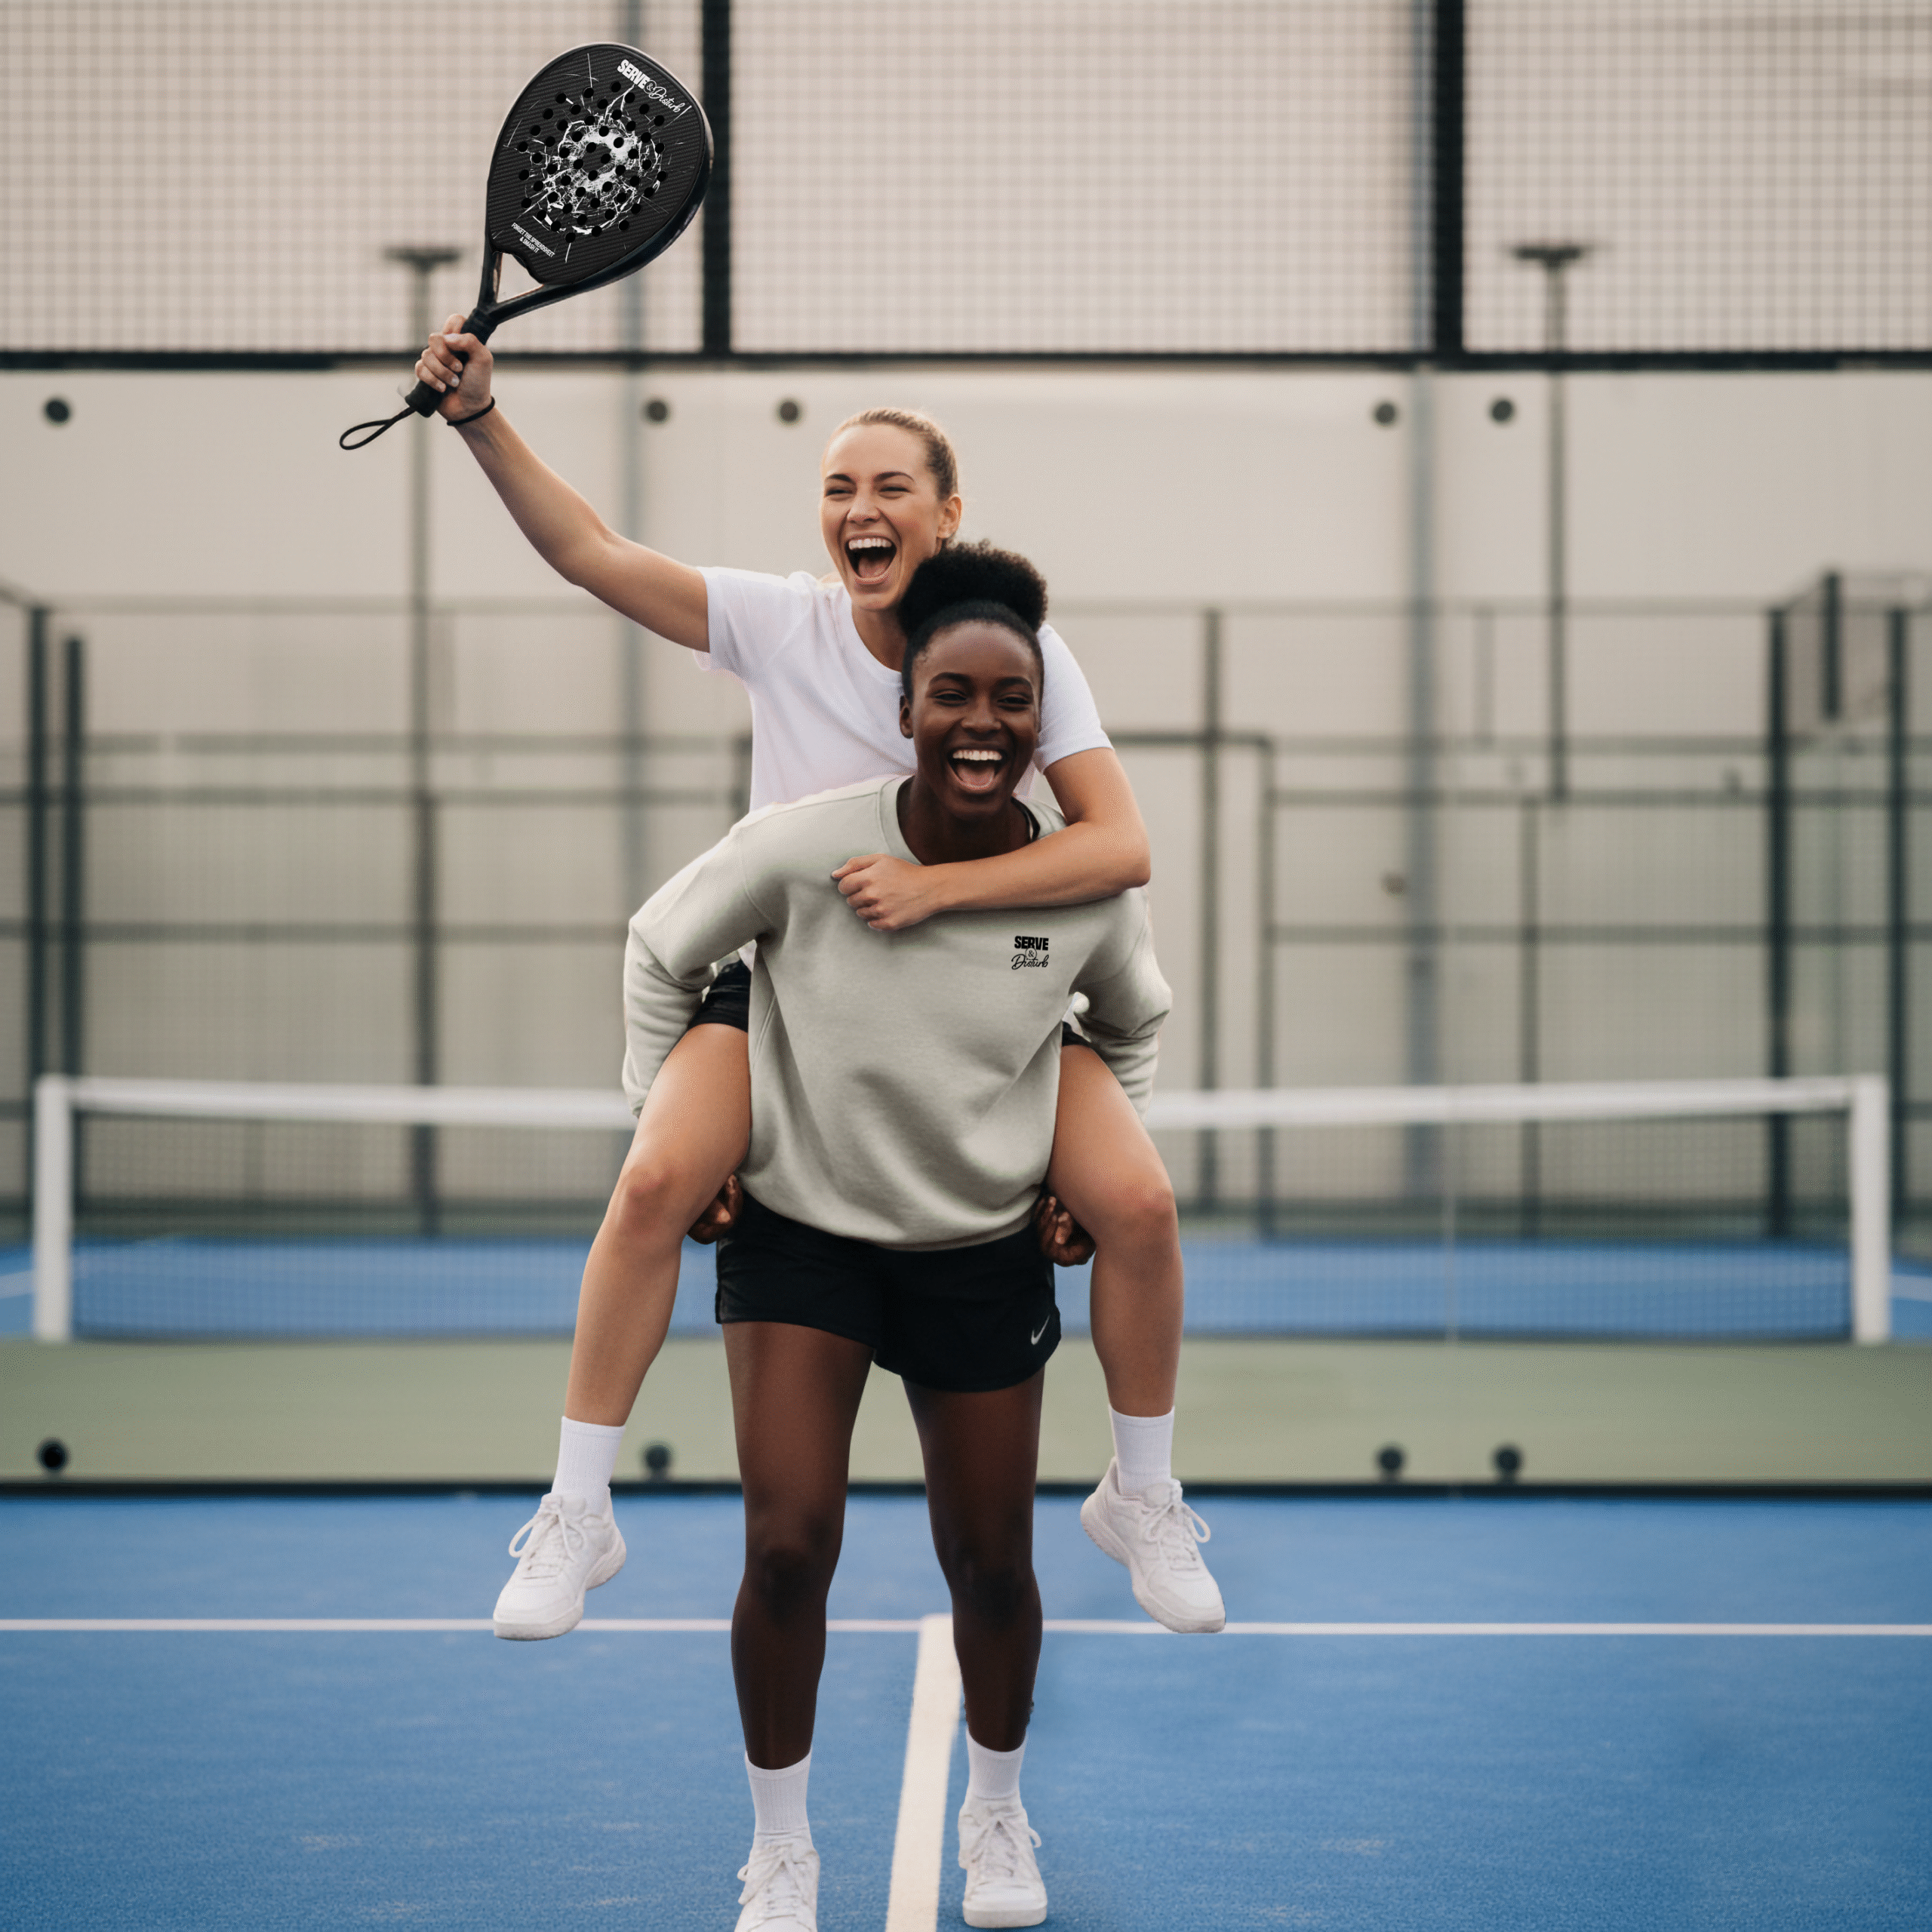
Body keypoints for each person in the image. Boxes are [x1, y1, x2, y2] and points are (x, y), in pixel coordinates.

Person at [408, 324, 1221, 1637]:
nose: (860, 507)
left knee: (1138, 1201)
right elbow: (590, 552)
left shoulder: (1017, 654)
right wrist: (479, 419)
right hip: (791, 992)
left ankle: (1142, 1493)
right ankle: (576, 1510)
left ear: (949, 514)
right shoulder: (782, 624)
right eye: (839, 487)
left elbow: (1121, 847)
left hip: (991, 998)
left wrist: (937, 889)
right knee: (658, 1180)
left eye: (891, 485)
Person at [620, 544, 1202, 1930]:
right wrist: (669, 1119)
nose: (982, 722)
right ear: (907, 710)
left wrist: (1077, 1157)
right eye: (952, 694)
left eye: (1012, 698)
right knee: (785, 1546)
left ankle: (997, 1818)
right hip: (804, 1234)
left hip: (977, 1247)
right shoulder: (812, 844)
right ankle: (780, 1851)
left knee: (994, 1561)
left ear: (1043, 716)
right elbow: (662, 950)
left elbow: (1136, 1019)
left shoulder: (1078, 889)